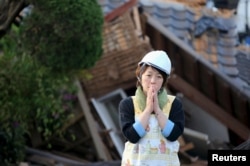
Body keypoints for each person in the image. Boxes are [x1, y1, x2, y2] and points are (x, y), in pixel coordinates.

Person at [119, 50, 185, 166]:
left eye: (159, 77)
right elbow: (132, 136)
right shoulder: (128, 104)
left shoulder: (174, 104)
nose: (153, 81)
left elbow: (174, 135)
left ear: (164, 81)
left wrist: (158, 110)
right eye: (148, 75)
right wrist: (148, 109)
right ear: (139, 76)